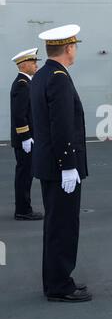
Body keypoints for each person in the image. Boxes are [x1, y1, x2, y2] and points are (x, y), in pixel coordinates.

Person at [31, 24, 91, 302]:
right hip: (61, 167)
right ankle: (59, 285)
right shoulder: (58, 78)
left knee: (55, 224)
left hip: (48, 163)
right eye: (74, 46)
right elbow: (62, 126)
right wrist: (69, 165)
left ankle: (56, 279)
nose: (75, 50)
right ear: (68, 48)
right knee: (63, 226)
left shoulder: (41, 75)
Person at [10, 48, 43, 221]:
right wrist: (25, 137)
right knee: (24, 175)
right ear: (23, 65)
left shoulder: (26, 83)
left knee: (26, 174)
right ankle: (23, 210)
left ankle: (24, 208)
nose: (36, 65)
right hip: (25, 139)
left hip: (28, 138)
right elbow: (19, 114)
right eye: (33, 63)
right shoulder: (22, 85)